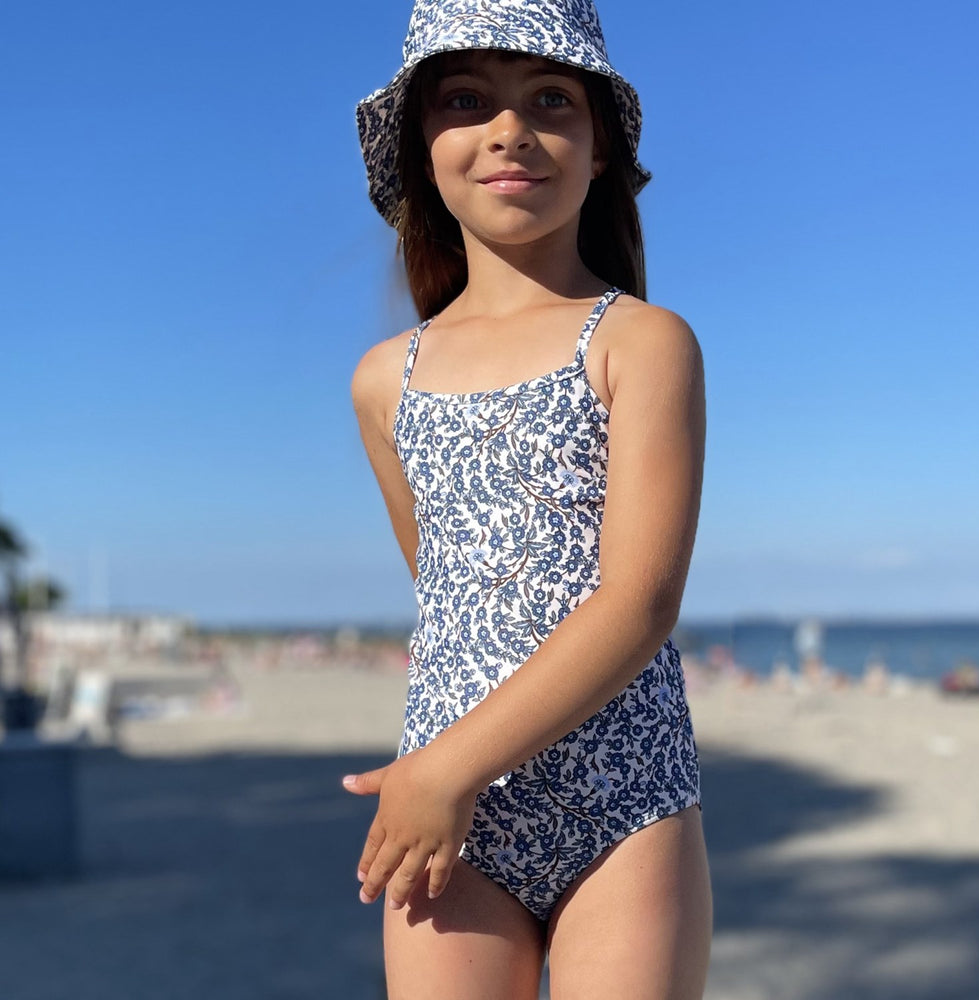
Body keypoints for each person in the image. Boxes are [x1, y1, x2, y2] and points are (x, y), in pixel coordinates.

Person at [344, 1, 713, 996]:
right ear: (422, 145)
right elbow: (446, 591)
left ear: (600, 147)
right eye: (467, 100)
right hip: (449, 817)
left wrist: (445, 767)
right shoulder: (385, 380)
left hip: (621, 794)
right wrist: (439, 778)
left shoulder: (640, 341)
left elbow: (639, 601)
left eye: (551, 99)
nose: (509, 129)